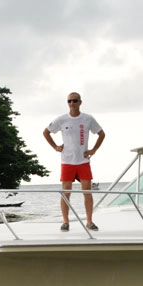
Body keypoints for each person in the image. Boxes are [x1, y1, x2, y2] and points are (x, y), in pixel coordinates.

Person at [43, 92, 104, 231]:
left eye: (75, 101)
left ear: (80, 102)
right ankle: (65, 222)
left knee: (87, 192)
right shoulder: (61, 119)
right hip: (67, 161)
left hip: (83, 160)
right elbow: (46, 132)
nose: (72, 103)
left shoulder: (88, 118)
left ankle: (89, 221)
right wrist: (55, 147)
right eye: (69, 101)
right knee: (65, 192)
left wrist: (94, 149)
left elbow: (101, 133)